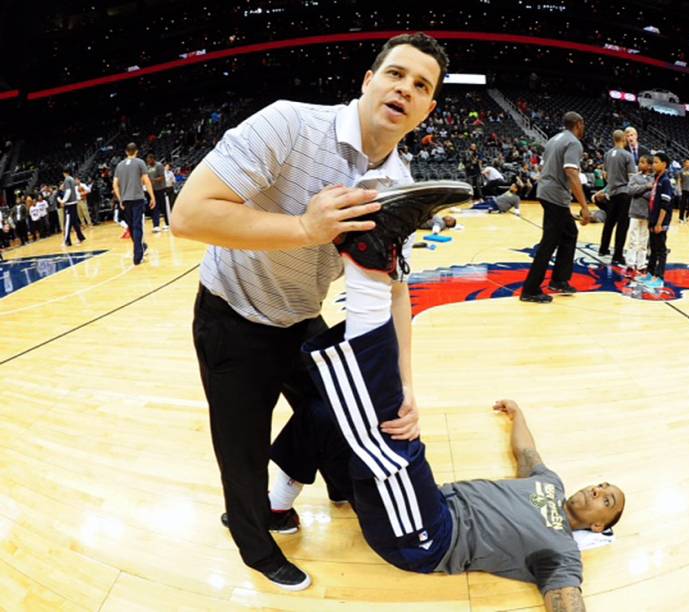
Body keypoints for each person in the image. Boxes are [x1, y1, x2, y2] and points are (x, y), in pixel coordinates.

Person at [170, 32, 450, 590]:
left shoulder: (399, 184)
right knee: (240, 448)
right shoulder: (288, 124)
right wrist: (304, 228)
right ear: (369, 81)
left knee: (339, 413)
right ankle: (254, 544)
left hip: (300, 317)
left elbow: (393, 287)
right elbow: (188, 214)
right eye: (396, 74)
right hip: (234, 314)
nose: (405, 89)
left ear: (427, 110)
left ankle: (305, 488)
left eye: (421, 86)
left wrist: (406, 383)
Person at [285, 240, 625, 606]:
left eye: (605, 499)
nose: (595, 490)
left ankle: (369, 267)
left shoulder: (562, 553)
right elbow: (527, 453)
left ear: (597, 526)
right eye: (600, 485)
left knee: (398, 437)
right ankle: (277, 503)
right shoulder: (551, 484)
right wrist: (518, 414)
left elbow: (566, 599)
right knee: (324, 414)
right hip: (426, 502)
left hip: (430, 538)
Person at [520, 112, 591, 303]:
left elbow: (543, 167)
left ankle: (559, 280)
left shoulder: (553, 140)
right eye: (583, 125)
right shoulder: (574, 143)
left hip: (545, 190)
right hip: (556, 195)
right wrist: (584, 205)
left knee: (569, 233)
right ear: (578, 124)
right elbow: (571, 172)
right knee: (549, 242)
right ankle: (530, 289)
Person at [113, 143, 155, 265]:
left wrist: (120, 199)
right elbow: (146, 181)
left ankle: (141, 247)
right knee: (137, 227)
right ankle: (138, 256)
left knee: (131, 227)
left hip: (125, 201)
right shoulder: (140, 162)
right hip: (137, 199)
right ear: (136, 151)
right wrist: (152, 197)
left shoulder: (119, 165)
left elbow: (115, 184)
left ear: (126, 152)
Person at [598, 130, 636, 265]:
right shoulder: (627, 155)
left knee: (609, 222)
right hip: (624, 192)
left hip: (612, 192)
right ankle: (618, 255)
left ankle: (603, 249)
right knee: (622, 224)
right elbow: (632, 177)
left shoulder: (608, 154)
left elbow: (605, 175)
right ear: (624, 139)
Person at [642, 152, 673, 289]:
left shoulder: (665, 181)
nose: (653, 165)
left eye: (656, 162)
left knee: (661, 249)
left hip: (661, 221)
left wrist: (660, 223)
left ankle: (659, 277)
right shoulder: (657, 179)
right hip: (653, 219)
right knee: (653, 248)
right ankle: (650, 272)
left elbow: (665, 205)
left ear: (664, 164)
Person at [623, 154, 654, 274]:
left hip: (647, 214)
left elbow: (652, 195)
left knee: (643, 241)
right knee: (632, 240)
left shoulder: (653, 179)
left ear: (650, 165)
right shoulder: (635, 177)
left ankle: (641, 264)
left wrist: (639, 192)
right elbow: (630, 191)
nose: (640, 164)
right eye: (640, 162)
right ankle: (630, 263)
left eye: (643, 162)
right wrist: (646, 187)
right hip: (635, 212)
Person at [59, 168, 86, 247]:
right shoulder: (72, 179)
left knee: (68, 223)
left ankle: (67, 241)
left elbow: (68, 191)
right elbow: (74, 191)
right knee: (74, 222)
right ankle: (81, 237)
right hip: (74, 202)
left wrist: (63, 201)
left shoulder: (67, 180)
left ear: (64, 173)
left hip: (70, 204)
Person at [146, 153, 170, 232]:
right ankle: (156, 225)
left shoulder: (159, 165)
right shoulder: (148, 168)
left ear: (153, 159)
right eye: (147, 160)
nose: (148, 162)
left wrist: (153, 181)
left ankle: (168, 224)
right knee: (154, 207)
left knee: (163, 207)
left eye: (149, 160)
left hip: (161, 189)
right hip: (153, 190)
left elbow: (162, 177)